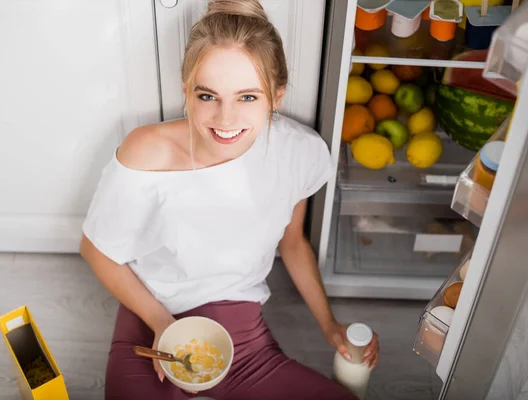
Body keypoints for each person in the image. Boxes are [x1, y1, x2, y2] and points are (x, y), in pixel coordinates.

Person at [80, 1, 379, 399]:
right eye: (208, 96)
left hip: (243, 338)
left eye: (248, 98)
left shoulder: (299, 153)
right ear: (186, 90)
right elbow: (96, 250)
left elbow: (292, 242)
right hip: (151, 319)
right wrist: (161, 322)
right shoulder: (146, 152)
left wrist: (329, 325)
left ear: (277, 96)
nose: (225, 119)